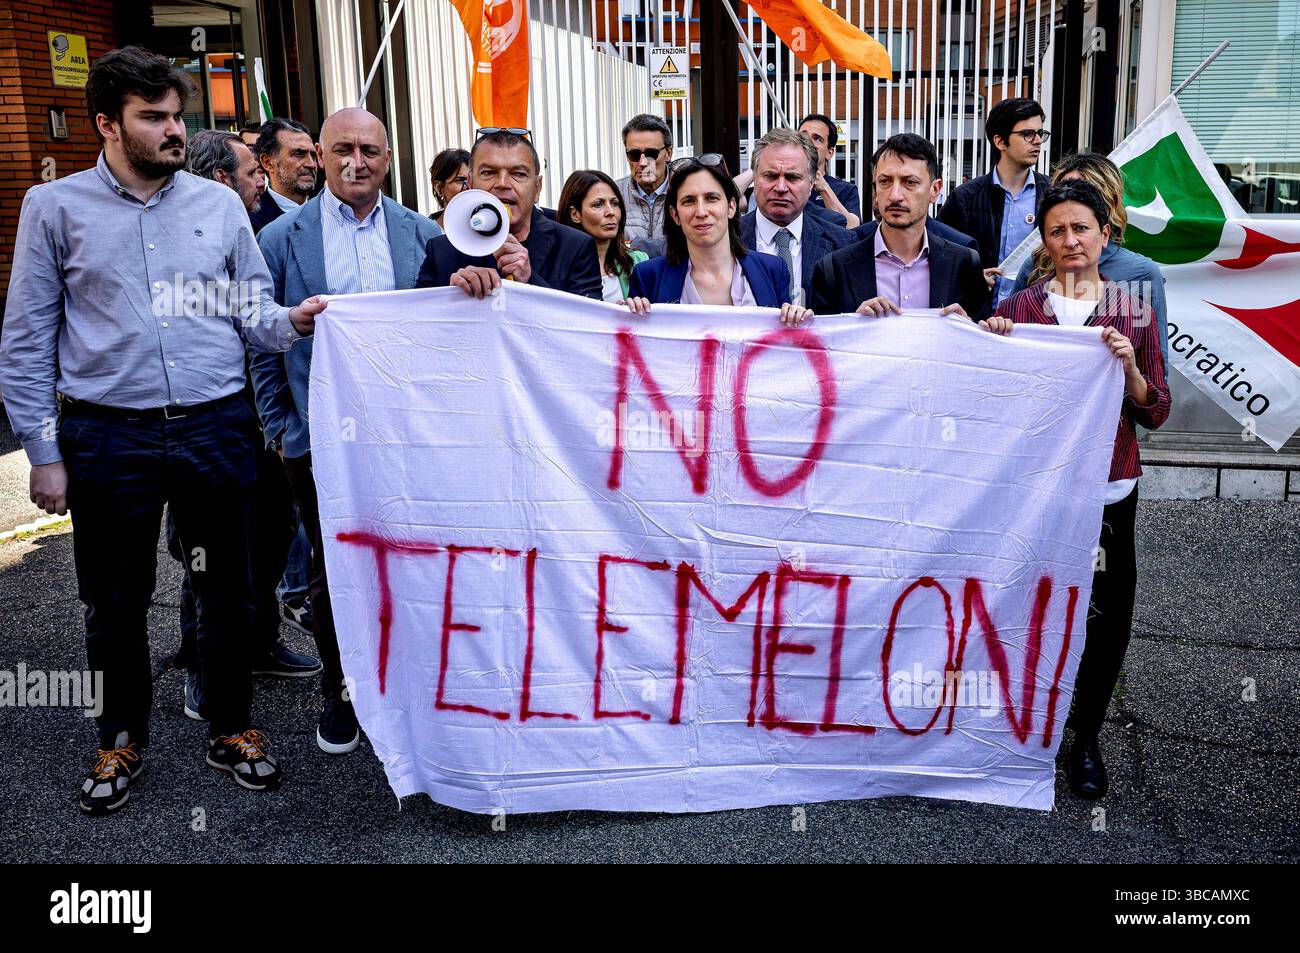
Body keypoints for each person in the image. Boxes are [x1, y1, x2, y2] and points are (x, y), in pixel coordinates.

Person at [0, 46, 325, 814]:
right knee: (114, 598)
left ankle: (231, 725)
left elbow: (254, 314)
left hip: (216, 427)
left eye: (178, 115)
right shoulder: (54, 208)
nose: (176, 130)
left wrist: (295, 322)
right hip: (109, 436)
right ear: (108, 124)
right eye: (155, 117)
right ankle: (119, 737)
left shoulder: (218, 206)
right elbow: (25, 339)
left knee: (231, 591)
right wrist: (43, 453)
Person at [252, 107, 441, 755]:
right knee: (336, 573)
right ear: (321, 157)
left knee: (413, 566)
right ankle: (342, 689)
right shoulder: (281, 240)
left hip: (408, 444)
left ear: (389, 157)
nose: (357, 162)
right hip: (319, 444)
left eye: (371, 150)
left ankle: (411, 687)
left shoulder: (423, 237)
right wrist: (282, 431)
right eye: (343, 150)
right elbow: (261, 338)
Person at [979, 180, 1170, 801]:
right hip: (1038, 489)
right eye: (1057, 230)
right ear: (1044, 240)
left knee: (1105, 614)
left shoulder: (1132, 312)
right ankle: (1024, 721)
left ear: (1104, 235)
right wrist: (994, 345)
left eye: (1080, 229)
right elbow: (998, 399)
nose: (1069, 241)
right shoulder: (1026, 309)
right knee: (1030, 601)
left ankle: (1083, 736)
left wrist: (1130, 367)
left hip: (1109, 487)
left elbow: (1155, 410)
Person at [171, 130, 320, 723]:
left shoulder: (264, 227)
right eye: (251, 170)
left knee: (268, 537)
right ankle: (200, 670)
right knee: (207, 552)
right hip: (213, 419)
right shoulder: (194, 239)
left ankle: (258, 645)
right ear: (218, 179)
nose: (261, 178)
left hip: (263, 421)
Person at [1010, 152, 1170, 366]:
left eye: (1082, 191)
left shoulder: (1141, 272)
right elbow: (1007, 343)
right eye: (1064, 190)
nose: (1071, 199)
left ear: (1108, 201)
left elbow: (1156, 366)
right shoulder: (1035, 265)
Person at [811, 134, 986, 319]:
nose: (895, 195)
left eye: (910, 183)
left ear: (935, 190)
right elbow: (819, 342)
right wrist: (853, 325)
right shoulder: (834, 268)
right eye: (885, 182)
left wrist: (971, 326)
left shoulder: (964, 263)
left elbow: (981, 339)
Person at [624, 157, 811, 328]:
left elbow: (784, 347)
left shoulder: (773, 270)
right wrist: (622, 318)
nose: (701, 212)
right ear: (675, 215)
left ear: (731, 206)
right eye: (689, 201)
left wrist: (797, 321)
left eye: (711, 198)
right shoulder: (648, 276)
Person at [416, 128, 601, 299]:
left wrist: (531, 281)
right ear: (471, 185)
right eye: (489, 172)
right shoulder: (441, 252)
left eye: (518, 174)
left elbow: (586, 326)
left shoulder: (575, 247)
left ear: (537, 188)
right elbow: (415, 324)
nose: (503, 183)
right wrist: (450, 298)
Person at [939, 97, 1047, 306]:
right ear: (999, 141)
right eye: (1027, 134)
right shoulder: (964, 198)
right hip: (976, 319)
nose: (1037, 141)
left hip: (1033, 317)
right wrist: (972, 277)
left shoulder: (1052, 195)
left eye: (1040, 133)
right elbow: (940, 257)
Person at [739, 128, 855, 306]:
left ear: (811, 184)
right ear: (755, 179)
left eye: (792, 178)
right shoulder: (726, 239)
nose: (781, 187)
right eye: (771, 176)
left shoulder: (842, 244)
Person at [558, 169, 648, 303]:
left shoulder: (638, 262)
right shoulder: (555, 267)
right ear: (575, 214)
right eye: (598, 204)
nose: (610, 212)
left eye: (614, 203)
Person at [250, 116, 317, 233]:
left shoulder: (328, 213)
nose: (311, 164)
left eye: (313, 155)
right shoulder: (253, 223)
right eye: (298, 154)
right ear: (267, 162)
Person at [615, 113, 673, 250]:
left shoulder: (685, 192)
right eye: (634, 154)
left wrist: (633, 245)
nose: (642, 162)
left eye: (651, 154)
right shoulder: (613, 194)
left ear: (668, 154)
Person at [798, 113, 862, 228]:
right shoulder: (781, 183)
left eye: (817, 138)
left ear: (829, 152)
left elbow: (853, 228)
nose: (807, 142)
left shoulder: (846, 190)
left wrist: (824, 188)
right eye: (803, 136)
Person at [428, 147, 470, 226]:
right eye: (460, 180)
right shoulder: (423, 234)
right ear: (439, 188)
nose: (469, 188)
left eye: (472, 180)